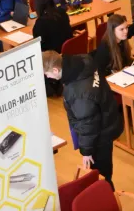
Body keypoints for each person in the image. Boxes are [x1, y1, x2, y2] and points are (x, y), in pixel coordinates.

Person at [43, 50, 123, 189]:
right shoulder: (83, 60)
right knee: (104, 168)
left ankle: (107, 197)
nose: (47, 76)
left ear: (55, 70)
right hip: (108, 117)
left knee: (100, 174)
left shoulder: (79, 93)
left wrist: (86, 152)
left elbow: (88, 124)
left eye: (46, 73)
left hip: (99, 135)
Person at [94, 6, 134, 138]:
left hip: (124, 76)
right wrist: (117, 73)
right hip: (110, 84)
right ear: (112, 31)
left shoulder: (121, 38)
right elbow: (100, 73)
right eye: (122, 29)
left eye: (126, 27)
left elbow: (133, 29)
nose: (126, 31)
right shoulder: (104, 49)